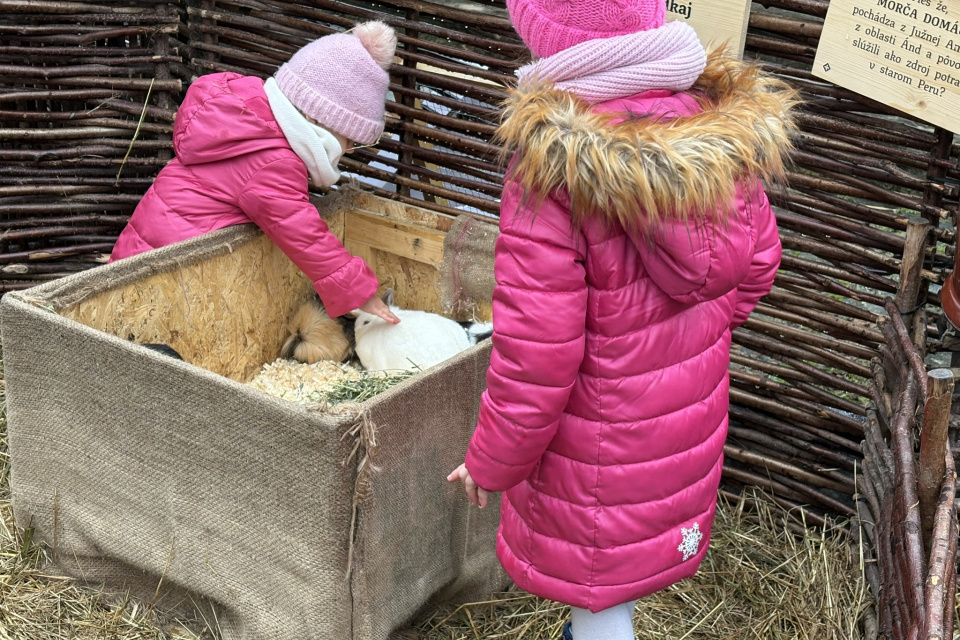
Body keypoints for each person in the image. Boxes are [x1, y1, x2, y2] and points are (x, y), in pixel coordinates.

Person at [447, 1, 797, 638]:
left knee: (600, 602)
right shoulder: (713, 128)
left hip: (596, 443)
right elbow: (760, 262)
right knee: (612, 589)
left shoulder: (552, 167)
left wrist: (491, 461)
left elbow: (537, 353)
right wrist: (692, 337)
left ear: (543, 34)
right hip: (680, 421)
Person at [110, 22, 401, 323]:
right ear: (317, 116)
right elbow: (302, 232)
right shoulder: (273, 161)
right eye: (350, 140)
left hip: (139, 267)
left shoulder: (250, 122)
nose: (347, 151)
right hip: (159, 287)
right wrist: (359, 291)